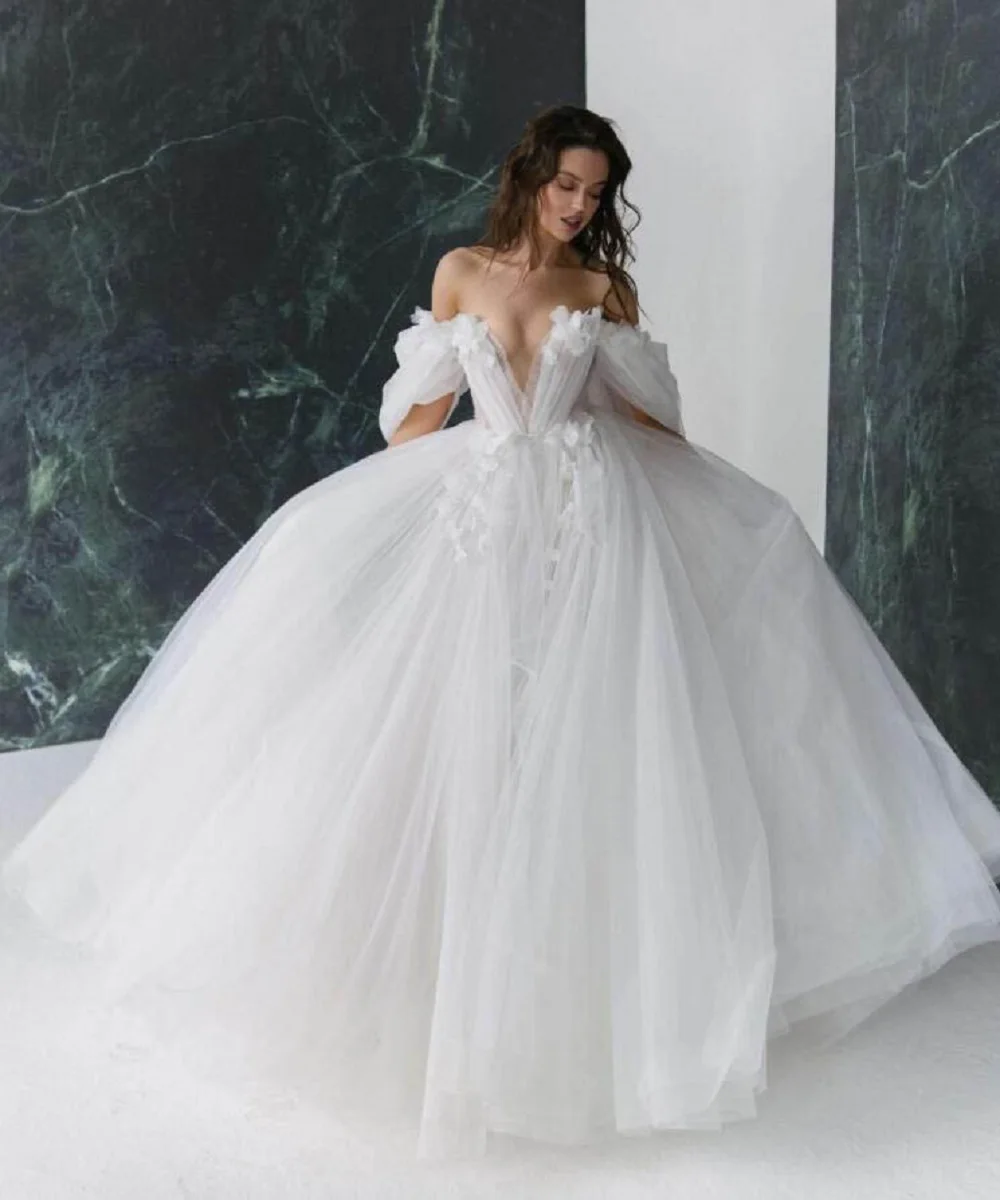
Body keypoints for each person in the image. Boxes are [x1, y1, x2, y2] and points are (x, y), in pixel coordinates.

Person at [3, 104, 1000, 1163]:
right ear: (529, 177)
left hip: (590, 519)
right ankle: (436, 972)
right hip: (478, 512)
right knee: (459, 717)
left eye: (595, 193)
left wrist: (671, 450)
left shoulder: (599, 290)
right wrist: (400, 462)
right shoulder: (460, 272)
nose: (578, 205)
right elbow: (415, 424)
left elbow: (652, 423)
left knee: (580, 727)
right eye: (566, 184)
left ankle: (571, 981)